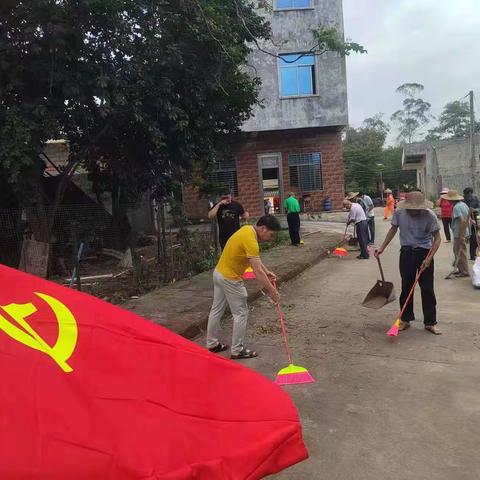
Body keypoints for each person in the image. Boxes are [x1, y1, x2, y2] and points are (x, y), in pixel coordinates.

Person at [206, 215, 281, 359]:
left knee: (216, 309)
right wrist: (273, 291)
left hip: (219, 273)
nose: (271, 238)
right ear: (263, 228)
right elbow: (257, 271)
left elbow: (256, 262)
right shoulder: (251, 241)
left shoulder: (247, 230)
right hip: (230, 279)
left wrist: (267, 272)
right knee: (241, 313)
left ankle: (212, 344)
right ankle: (237, 349)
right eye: (271, 235)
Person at [375, 191, 442, 335]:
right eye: (411, 208)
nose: (414, 211)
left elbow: (437, 239)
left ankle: (430, 322)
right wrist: (382, 248)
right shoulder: (399, 214)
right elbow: (393, 230)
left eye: (417, 209)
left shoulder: (430, 216)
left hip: (425, 253)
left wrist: (429, 258)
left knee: (427, 289)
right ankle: (405, 319)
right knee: (406, 287)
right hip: (406, 254)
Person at [442, 189, 470, 277]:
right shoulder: (463, 204)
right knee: (458, 251)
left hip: (460, 233)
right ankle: (460, 268)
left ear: (451, 200)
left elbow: (461, 221)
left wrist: (461, 235)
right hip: (464, 232)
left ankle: (464, 271)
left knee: (461, 252)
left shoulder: (456, 207)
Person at [344, 192, 369, 260]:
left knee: (362, 240)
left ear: (348, 204)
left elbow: (353, 219)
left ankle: (365, 255)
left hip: (361, 223)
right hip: (363, 222)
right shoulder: (355, 204)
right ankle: (363, 253)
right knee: (362, 239)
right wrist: (349, 216)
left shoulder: (353, 208)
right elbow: (351, 215)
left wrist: (348, 223)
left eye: (346, 207)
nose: (346, 208)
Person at [463, 187, 479, 260]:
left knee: (475, 237)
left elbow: (479, 208)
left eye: (470, 193)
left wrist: (474, 210)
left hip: (475, 218)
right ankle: (470, 255)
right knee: (469, 237)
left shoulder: (475, 199)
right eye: (467, 194)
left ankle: (474, 254)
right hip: (466, 219)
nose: (469, 195)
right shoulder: (463, 200)